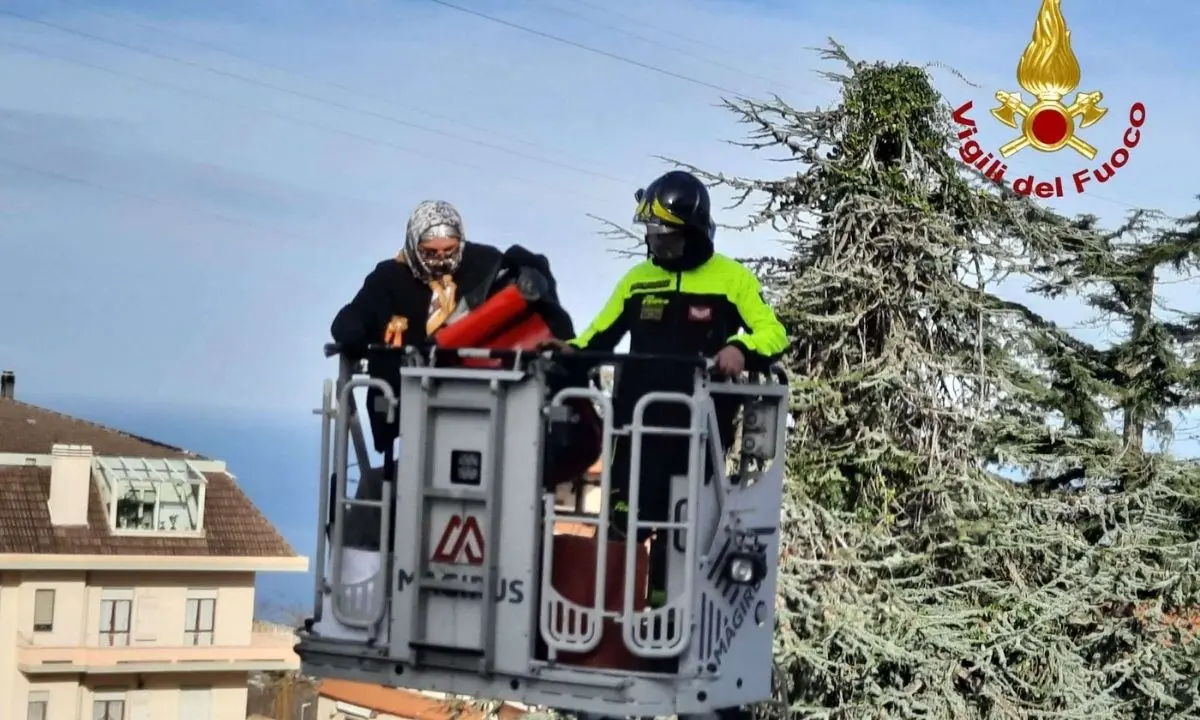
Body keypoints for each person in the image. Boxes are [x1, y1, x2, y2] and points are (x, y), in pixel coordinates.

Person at [552, 169, 788, 603]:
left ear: (693, 233)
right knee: (621, 528)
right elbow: (595, 339)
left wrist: (740, 348)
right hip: (636, 429)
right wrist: (564, 351)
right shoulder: (638, 279)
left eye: (665, 233)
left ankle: (664, 620)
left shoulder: (730, 278)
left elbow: (774, 333)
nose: (655, 242)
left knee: (681, 537)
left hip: (700, 432)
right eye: (651, 232)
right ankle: (611, 619)